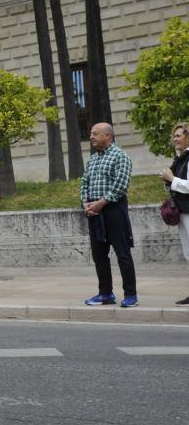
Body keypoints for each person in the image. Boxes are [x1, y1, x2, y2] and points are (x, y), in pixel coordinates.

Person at [81, 123, 137, 308]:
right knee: (99, 255)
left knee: (122, 253)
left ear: (108, 135)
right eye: (91, 133)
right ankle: (105, 293)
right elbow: (84, 182)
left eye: (95, 133)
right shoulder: (92, 160)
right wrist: (86, 202)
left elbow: (121, 185)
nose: (91, 136)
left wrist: (101, 202)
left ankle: (130, 294)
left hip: (113, 209)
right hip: (94, 211)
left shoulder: (120, 156)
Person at [159, 122, 189, 307]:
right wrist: (167, 181)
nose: (175, 139)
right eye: (175, 136)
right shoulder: (180, 158)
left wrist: (172, 179)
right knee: (188, 253)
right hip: (183, 212)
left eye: (179, 135)